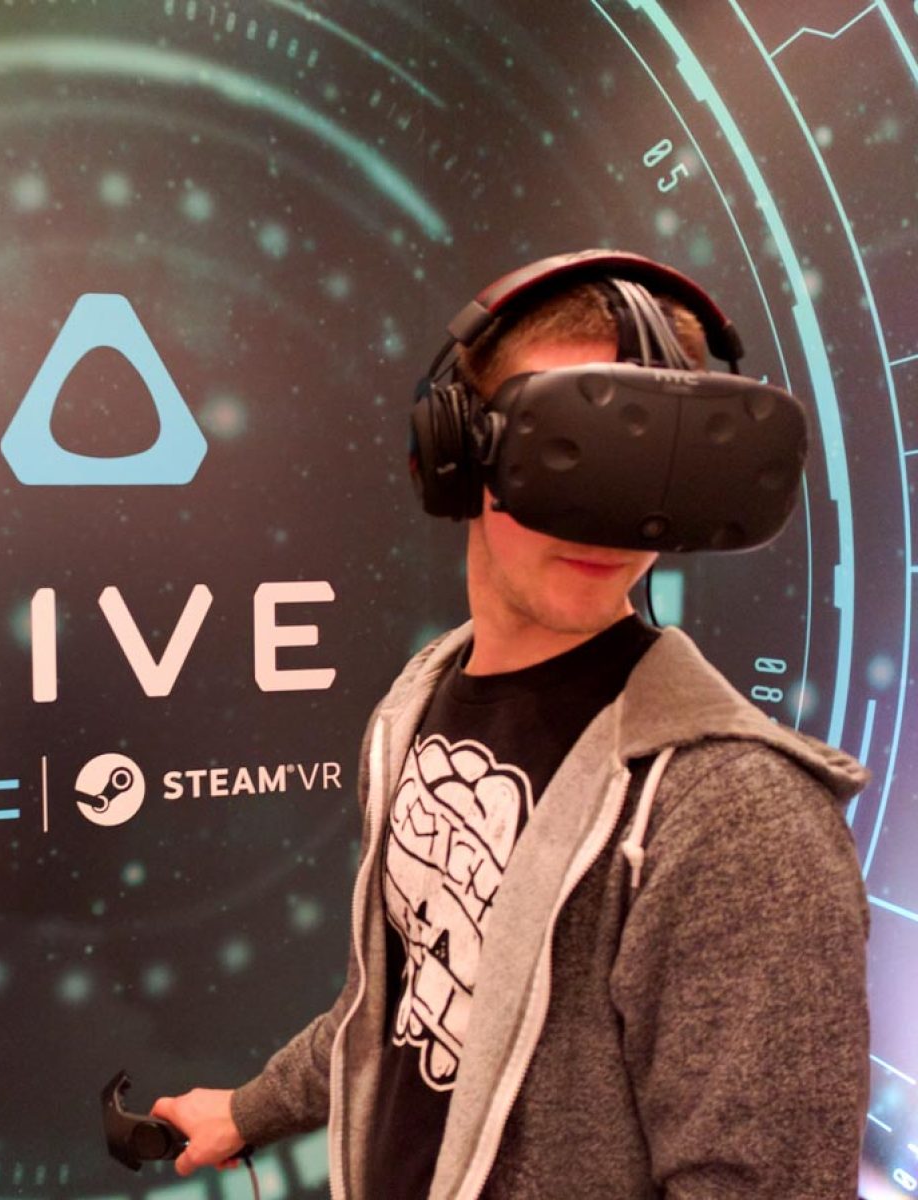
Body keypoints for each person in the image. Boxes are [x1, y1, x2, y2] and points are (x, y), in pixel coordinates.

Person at [151, 251, 871, 1199]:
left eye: (646, 464)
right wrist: (250, 1110)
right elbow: (403, 1003)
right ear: (455, 455)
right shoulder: (417, 702)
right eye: (569, 451)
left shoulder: (734, 815)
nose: (608, 523)